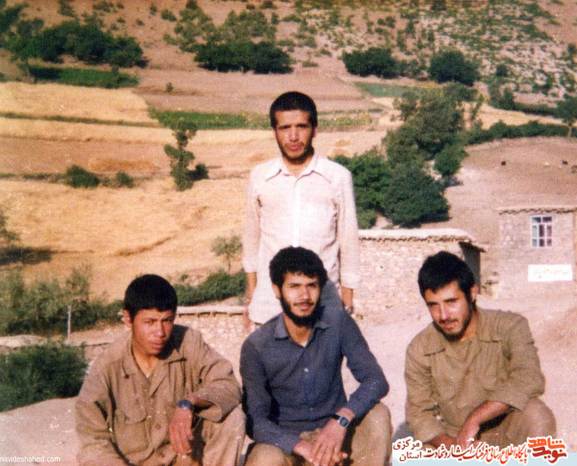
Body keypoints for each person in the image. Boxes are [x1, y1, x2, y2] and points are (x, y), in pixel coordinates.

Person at [240, 247, 391, 466]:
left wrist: (341, 420)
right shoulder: (257, 346)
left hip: (336, 435)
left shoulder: (338, 322)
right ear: (277, 290)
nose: (304, 296)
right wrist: (300, 446)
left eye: (311, 286)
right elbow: (255, 421)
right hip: (288, 447)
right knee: (264, 459)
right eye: (294, 286)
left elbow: (375, 380)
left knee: (378, 415)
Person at [76, 274, 244, 466]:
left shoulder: (189, 343)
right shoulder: (106, 367)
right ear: (128, 319)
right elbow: (92, 441)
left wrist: (189, 402)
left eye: (167, 320)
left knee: (232, 418)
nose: (160, 332)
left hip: (185, 459)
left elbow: (228, 385)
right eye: (150, 322)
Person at [405, 251, 556, 449]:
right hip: (453, 438)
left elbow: (529, 377)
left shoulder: (510, 326)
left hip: (505, 430)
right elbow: (418, 413)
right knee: (420, 454)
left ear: (473, 293)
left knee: (537, 416)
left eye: (451, 302)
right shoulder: (420, 348)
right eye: (433, 306)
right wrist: (455, 448)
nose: (443, 315)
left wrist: (475, 418)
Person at [242, 91, 360, 326]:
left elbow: (348, 240)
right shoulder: (260, 177)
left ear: (314, 129)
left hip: (323, 304)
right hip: (269, 306)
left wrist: (347, 301)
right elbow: (251, 238)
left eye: (301, 127)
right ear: (275, 131)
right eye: (285, 128)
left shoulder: (337, 177)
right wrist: (252, 295)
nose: (293, 136)